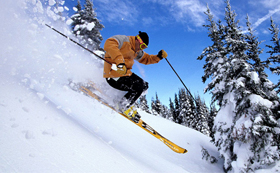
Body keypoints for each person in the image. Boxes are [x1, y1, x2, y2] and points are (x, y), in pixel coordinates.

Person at [103, 31, 167, 121]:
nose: (141, 49)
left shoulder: (136, 50)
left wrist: (158, 57)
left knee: (144, 85)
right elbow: (109, 43)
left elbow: (146, 59)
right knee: (138, 86)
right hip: (113, 74)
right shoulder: (124, 40)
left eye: (144, 47)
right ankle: (123, 105)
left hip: (124, 74)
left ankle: (125, 101)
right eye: (142, 46)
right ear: (138, 40)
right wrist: (119, 62)